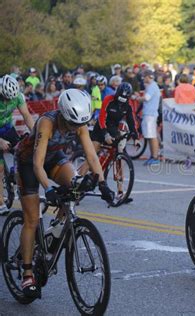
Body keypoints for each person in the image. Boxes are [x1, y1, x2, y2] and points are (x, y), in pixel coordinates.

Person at [15, 89, 114, 298]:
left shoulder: (79, 124)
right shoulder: (47, 123)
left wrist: (103, 184)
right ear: (62, 114)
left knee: (76, 186)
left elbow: (92, 158)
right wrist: (49, 189)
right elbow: (37, 164)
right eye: (73, 124)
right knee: (32, 219)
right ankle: (27, 274)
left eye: (80, 124)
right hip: (28, 162)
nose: (77, 128)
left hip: (54, 156)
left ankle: (55, 230)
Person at [80, 83, 139, 200]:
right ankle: (76, 184)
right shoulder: (109, 99)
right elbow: (101, 118)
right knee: (92, 154)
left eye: (124, 100)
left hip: (113, 129)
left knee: (119, 155)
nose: (121, 102)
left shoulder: (128, 105)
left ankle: (121, 191)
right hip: (101, 128)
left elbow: (131, 121)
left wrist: (136, 137)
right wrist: (105, 134)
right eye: (120, 99)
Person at [0, 75, 35, 215]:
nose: (9, 101)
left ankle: (16, 177)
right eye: (6, 98)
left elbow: (27, 116)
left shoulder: (18, 96)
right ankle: (1, 202)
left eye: (11, 99)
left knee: (24, 152)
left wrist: (37, 134)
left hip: (7, 128)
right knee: (0, 168)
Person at [138, 70, 162, 165]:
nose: (143, 79)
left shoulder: (152, 86)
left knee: (152, 136)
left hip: (150, 114)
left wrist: (137, 98)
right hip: (149, 114)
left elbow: (146, 98)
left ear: (149, 77)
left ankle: (155, 157)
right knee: (150, 136)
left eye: (144, 77)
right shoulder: (152, 86)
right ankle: (153, 156)